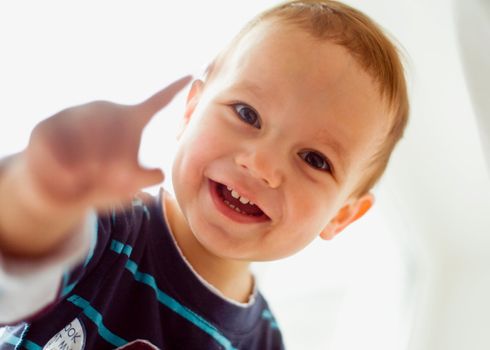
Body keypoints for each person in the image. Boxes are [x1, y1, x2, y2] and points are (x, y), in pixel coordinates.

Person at [0, 0, 409, 349]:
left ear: (342, 216)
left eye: (314, 159)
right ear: (191, 110)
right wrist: (39, 197)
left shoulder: (265, 342)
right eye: (247, 114)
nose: (260, 164)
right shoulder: (109, 224)